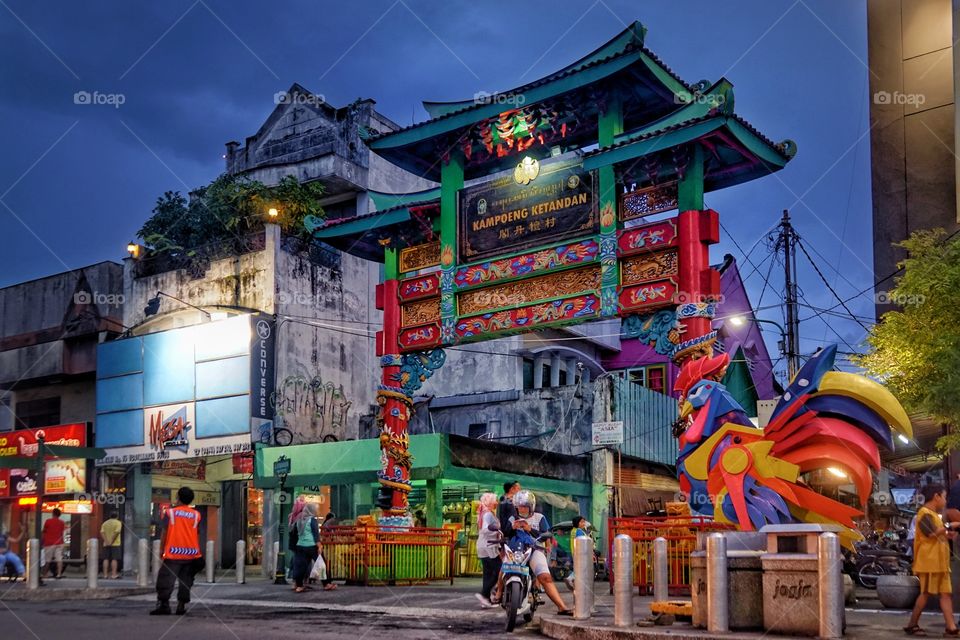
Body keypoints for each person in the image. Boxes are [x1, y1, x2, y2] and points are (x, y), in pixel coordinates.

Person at [505, 490, 573, 616]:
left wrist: (529, 529)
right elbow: (505, 533)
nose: (522, 509)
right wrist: (512, 528)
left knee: (545, 578)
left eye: (525, 506)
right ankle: (498, 594)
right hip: (516, 551)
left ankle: (562, 607)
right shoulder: (512, 518)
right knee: (503, 571)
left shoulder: (539, 518)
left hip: (535, 550)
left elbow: (545, 536)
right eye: (520, 506)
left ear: (531, 507)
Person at [904, 484, 959, 636]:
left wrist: (947, 533)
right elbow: (930, 533)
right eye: (944, 497)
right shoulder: (924, 513)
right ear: (936, 497)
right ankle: (913, 624)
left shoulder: (933, 515)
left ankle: (951, 628)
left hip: (939, 562)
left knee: (944, 594)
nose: (945, 501)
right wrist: (950, 525)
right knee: (927, 593)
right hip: (930, 561)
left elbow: (936, 534)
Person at [151, 487, 204, 616]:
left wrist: (162, 549)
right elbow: (196, 534)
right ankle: (181, 605)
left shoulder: (171, 513)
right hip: (191, 554)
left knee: (165, 579)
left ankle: (164, 605)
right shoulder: (196, 515)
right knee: (186, 580)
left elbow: (164, 532)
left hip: (174, 552)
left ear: (178, 498)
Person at [474, 492, 502, 608]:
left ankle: (485, 601)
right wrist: (498, 532)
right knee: (499, 571)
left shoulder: (484, 512)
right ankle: (484, 594)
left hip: (483, 546)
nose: (496, 503)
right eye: (494, 501)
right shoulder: (488, 514)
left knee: (488, 573)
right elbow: (486, 529)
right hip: (489, 546)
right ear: (489, 502)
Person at [290, 502, 321, 593]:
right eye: (316, 509)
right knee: (322, 564)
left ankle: (299, 585)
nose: (317, 511)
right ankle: (327, 583)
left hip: (300, 546)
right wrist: (319, 545)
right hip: (311, 545)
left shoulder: (299, 519)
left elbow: (294, 532)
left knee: (300, 566)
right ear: (312, 510)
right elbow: (315, 533)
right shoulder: (312, 520)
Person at [564, 515, 592, 590]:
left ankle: (575, 583)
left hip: (573, 552)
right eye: (582, 522)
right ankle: (571, 578)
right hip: (579, 553)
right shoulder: (579, 532)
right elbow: (582, 542)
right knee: (581, 569)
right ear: (577, 523)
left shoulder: (573, 531)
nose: (584, 523)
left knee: (577, 568)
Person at [41, 508, 66, 579]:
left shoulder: (48, 521)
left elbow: (44, 532)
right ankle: (59, 574)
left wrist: (42, 541)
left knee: (47, 560)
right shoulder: (62, 522)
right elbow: (62, 533)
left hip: (49, 543)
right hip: (59, 543)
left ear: (53, 514)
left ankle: (44, 574)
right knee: (59, 559)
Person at [100, 510, 123, 579]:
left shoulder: (105, 523)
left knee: (105, 559)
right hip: (115, 544)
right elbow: (116, 533)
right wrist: (111, 541)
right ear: (117, 516)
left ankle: (105, 575)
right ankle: (113, 574)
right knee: (114, 559)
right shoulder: (118, 523)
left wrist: (106, 541)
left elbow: (102, 532)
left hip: (105, 544)